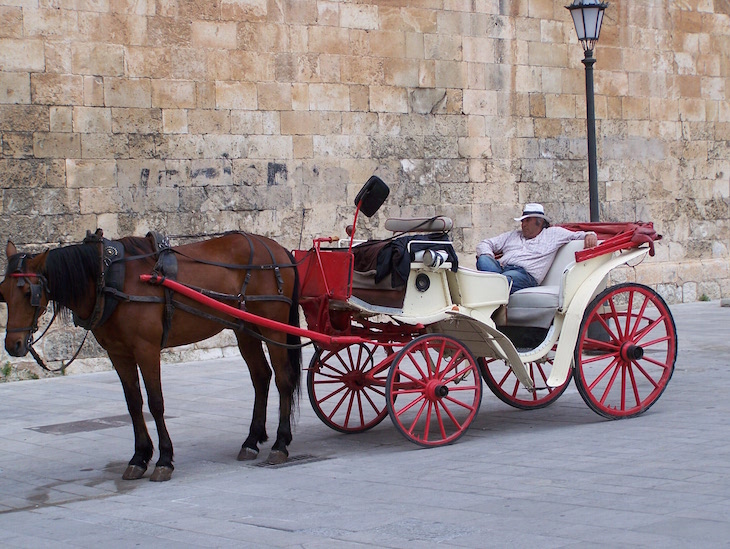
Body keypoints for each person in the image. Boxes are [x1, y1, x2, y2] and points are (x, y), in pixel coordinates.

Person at [476, 203, 598, 293]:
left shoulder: (553, 234)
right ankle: (494, 282)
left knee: (501, 281)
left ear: (539, 222)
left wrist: (590, 234)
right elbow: (485, 243)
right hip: (500, 270)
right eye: (523, 221)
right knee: (483, 260)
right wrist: (488, 255)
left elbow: (578, 235)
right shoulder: (513, 235)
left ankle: (492, 284)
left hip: (524, 275)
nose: (523, 224)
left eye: (527, 221)